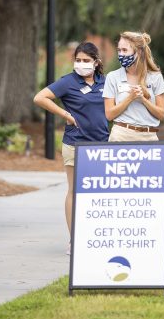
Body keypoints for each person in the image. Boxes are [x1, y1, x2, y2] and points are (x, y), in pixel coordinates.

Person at [33, 42, 109, 251]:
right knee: (75, 191)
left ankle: (96, 235)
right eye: (78, 60)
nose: (81, 64)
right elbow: (40, 97)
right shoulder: (68, 81)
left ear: (96, 62)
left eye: (86, 60)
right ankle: (74, 239)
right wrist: (65, 114)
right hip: (76, 143)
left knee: (99, 194)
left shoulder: (105, 82)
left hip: (102, 145)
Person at [103, 31, 164, 141]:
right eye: (119, 50)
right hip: (121, 136)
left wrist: (144, 100)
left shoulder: (155, 77)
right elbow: (109, 115)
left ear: (139, 52)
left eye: (125, 50)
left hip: (149, 137)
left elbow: (162, 114)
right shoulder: (112, 77)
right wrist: (130, 98)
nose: (121, 54)